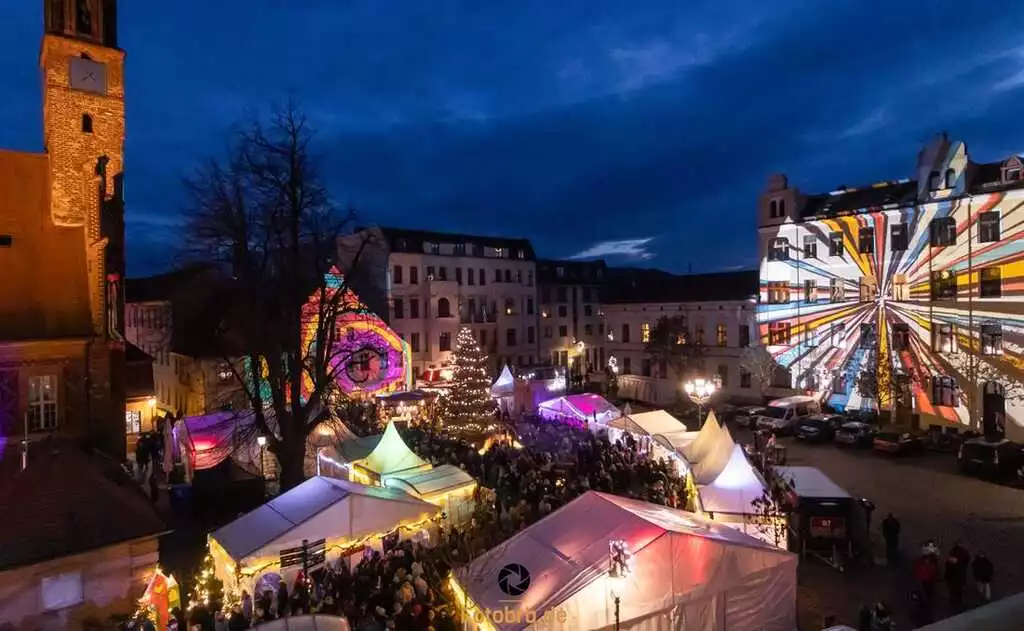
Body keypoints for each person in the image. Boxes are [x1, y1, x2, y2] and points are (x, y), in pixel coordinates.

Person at [944, 542, 969, 612]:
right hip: (958, 579)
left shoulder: (951, 556)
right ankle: (958, 604)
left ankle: (953, 605)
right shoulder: (961, 564)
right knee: (958, 592)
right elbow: (966, 560)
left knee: (953, 592)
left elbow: (947, 570)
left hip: (952, 580)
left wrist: (946, 578)